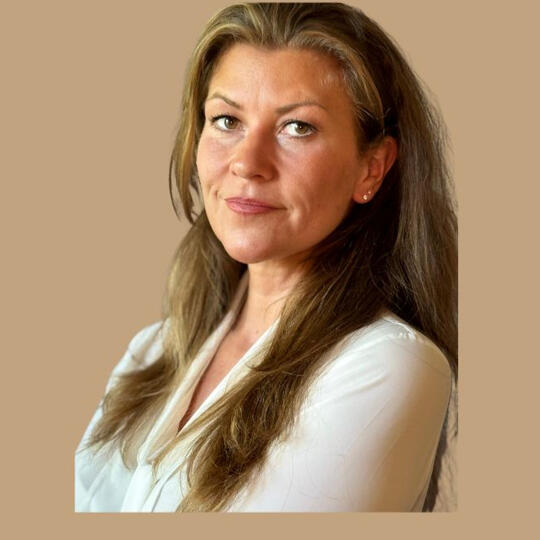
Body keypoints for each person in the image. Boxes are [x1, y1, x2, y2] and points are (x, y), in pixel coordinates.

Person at [75, 2, 458, 512]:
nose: (248, 163)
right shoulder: (152, 352)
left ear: (372, 168)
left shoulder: (390, 365)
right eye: (227, 120)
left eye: (297, 127)